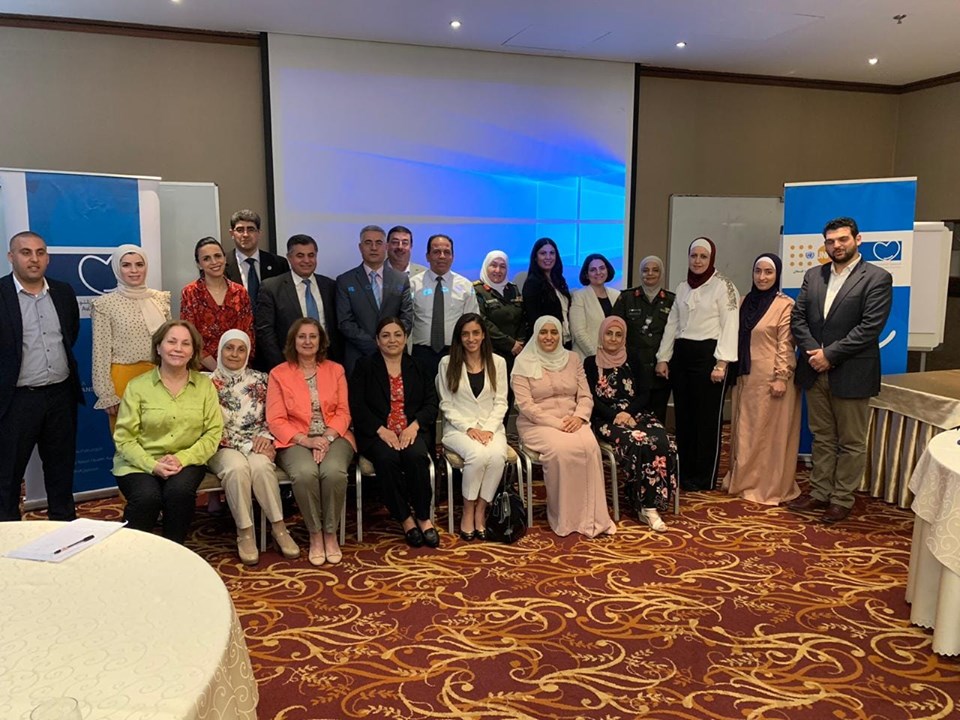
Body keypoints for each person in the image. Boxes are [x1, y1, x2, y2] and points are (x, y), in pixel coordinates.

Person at [788, 217, 893, 524]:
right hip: (814, 369)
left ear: (857, 240)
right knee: (822, 436)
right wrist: (814, 353)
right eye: (831, 241)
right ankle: (820, 492)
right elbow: (798, 318)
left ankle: (842, 498)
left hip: (851, 371)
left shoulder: (877, 277)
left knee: (850, 441)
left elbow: (869, 327)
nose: (836, 245)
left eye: (843, 239)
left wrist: (829, 355)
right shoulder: (814, 275)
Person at [112, 320, 223, 544]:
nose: (178, 349)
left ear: (193, 351)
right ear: (158, 347)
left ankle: (174, 550)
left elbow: (212, 433)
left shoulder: (205, 386)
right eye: (172, 342)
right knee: (146, 498)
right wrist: (152, 465)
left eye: (186, 344)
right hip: (139, 461)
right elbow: (124, 439)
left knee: (179, 493)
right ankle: (131, 553)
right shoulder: (137, 387)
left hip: (187, 460)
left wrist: (181, 459)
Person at [0, 231, 83, 522]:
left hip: (60, 396)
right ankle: (8, 535)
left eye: (40, 252)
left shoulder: (63, 292)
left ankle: (64, 530)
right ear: (11, 257)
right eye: (26, 252)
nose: (34, 259)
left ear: (47, 257)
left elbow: (70, 333)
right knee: (7, 476)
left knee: (61, 471)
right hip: (16, 400)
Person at [512, 315, 616, 538]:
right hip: (537, 424)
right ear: (536, 334)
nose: (549, 337)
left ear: (560, 335)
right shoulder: (523, 362)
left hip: (573, 420)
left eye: (554, 332)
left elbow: (585, 396)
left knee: (590, 448)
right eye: (543, 332)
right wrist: (557, 423)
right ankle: (566, 518)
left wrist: (579, 417)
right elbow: (526, 406)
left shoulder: (573, 358)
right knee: (561, 451)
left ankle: (594, 517)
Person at [267, 318, 355, 565]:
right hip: (294, 439)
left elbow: (344, 412)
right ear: (293, 341)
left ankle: (330, 533)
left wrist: (325, 438)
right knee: (305, 474)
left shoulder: (335, 370)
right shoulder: (278, 374)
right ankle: (315, 534)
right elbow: (275, 419)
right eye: (302, 336)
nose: (307, 341)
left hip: (334, 435)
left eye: (313, 336)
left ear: (321, 341)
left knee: (333, 472)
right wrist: (306, 441)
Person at [655, 237, 739, 492]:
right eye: (694, 256)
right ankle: (685, 472)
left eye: (703, 256)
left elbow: (730, 325)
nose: (698, 261)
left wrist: (722, 364)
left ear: (711, 259)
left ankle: (704, 477)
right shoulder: (683, 287)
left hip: (709, 358)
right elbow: (672, 323)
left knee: (706, 420)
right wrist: (663, 357)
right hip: (682, 356)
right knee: (685, 418)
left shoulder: (724, 286)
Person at [209, 330, 299, 565]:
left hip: (257, 443)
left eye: (241, 349)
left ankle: (279, 528)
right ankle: (245, 531)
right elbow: (206, 426)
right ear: (220, 350)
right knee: (237, 468)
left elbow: (275, 415)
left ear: (248, 353)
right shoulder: (206, 384)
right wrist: (247, 444)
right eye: (229, 348)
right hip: (221, 446)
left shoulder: (262, 379)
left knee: (261, 467)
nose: (235, 354)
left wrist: (267, 437)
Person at [349, 318, 440, 548]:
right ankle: (405, 518)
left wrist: (414, 426)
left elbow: (431, 404)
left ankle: (423, 517)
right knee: (386, 459)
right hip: (377, 432)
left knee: (416, 456)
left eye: (398, 334)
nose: (392, 340)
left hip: (411, 429)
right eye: (386, 335)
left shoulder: (419, 366)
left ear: (406, 338)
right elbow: (357, 406)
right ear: (377, 341)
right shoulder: (365, 366)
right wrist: (381, 430)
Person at [584, 316, 678, 531]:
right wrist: (615, 415)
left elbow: (645, 393)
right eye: (609, 334)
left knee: (661, 439)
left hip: (636, 413)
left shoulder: (633, 358)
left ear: (624, 338)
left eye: (618, 335)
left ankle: (651, 504)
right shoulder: (590, 362)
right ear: (601, 335)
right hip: (606, 418)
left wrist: (628, 412)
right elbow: (590, 398)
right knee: (636, 441)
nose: (613, 339)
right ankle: (641, 502)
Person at [721, 254, 802, 505]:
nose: (762, 277)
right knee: (746, 431)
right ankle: (743, 481)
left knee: (770, 435)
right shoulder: (744, 301)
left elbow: (786, 344)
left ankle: (768, 487)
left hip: (772, 378)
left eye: (768, 272)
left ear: (777, 275)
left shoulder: (785, 305)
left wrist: (781, 377)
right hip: (746, 377)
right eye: (758, 271)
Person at [436, 314, 509, 541]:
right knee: (477, 455)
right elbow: (446, 404)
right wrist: (469, 428)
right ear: (459, 337)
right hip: (458, 429)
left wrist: (488, 429)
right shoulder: (447, 363)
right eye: (465, 334)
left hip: (491, 427)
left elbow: (501, 402)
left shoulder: (498, 362)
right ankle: (468, 510)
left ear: (483, 335)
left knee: (497, 456)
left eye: (476, 333)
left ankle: (481, 510)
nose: (471, 338)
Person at [91, 244, 171, 433]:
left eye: (139, 264)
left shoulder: (160, 299)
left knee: (163, 438)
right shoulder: (105, 305)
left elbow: (170, 341)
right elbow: (100, 352)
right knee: (128, 440)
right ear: (117, 269)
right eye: (126, 265)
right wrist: (107, 395)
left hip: (160, 377)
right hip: (124, 381)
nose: (134, 270)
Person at [336, 225, 414, 374]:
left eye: (378, 243)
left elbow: (407, 317)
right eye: (368, 243)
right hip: (359, 357)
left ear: (386, 247)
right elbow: (345, 322)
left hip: (395, 357)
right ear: (360, 247)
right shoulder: (345, 280)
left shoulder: (400, 279)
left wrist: (391, 343)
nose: (373, 248)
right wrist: (377, 346)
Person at [256, 234, 341, 370]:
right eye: (300, 256)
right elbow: (265, 332)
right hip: (289, 363)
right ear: (289, 258)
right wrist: (282, 366)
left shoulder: (330, 286)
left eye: (311, 255)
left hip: (327, 362)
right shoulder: (272, 288)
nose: (306, 260)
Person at [613, 255, 675, 424]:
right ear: (640, 273)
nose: (650, 274)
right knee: (632, 417)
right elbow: (615, 330)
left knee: (658, 417)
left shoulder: (672, 300)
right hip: (633, 369)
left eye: (655, 270)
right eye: (645, 270)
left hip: (660, 370)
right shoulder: (626, 298)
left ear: (661, 273)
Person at [409, 233, 479, 378]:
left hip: (454, 353)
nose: (442, 256)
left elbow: (472, 323)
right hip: (420, 354)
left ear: (452, 257)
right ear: (427, 256)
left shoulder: (465, 286)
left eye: (447, 252)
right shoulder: (413, 285)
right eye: (436, 252)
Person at [180, 237, 255, 372]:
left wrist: (234, 369)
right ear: (199, 264)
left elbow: (247, 334)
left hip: (237, 367)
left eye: (217, 256)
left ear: (225, 259)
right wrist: (218, 371)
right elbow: (190, 336)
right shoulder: (190, 292)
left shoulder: (240, 292)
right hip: (203, 370)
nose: (214, 262)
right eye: (206, 258)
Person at [223, 209, 290, 306]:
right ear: (232, 234)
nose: (245, 235)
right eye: (240, 230)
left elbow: (285, 300)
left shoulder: (279, 264)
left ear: (259, 233)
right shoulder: (221, 265)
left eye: (251, 229)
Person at [474, 250, 527, 369]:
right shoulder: (477, 291)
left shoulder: (513, 289)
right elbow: (483, 323)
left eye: (502, 266)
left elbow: (523, 316)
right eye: (493, 265)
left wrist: (520, 341)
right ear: (486, 266)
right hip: (491, 353)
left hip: (517, 352)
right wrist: (510, 344)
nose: (498, 270)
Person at [521, 238, 573, 349]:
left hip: (564, 340)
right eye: (543, 253)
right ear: (535, 257)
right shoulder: (532, 283)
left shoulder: (559, 280)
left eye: (552, 253)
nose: (548, 257)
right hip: (546, 343)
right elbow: (534, 319)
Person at [570, 253, 621, 359]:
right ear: (586, 274)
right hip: (587, 358)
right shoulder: (579, 296)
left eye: (602, 268)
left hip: (613, 357)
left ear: (607, 270)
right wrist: (597, 357)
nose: (598, 272)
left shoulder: (616, 295)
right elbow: (579, 333)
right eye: (593, 270)